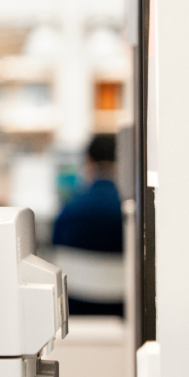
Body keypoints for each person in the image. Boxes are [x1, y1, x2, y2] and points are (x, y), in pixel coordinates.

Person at [52, 134, 128, 315]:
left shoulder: (68, 212)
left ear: (88, 163)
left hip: (76, 312)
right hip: (121, 311)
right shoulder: (129, 213)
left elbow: (55, 255)